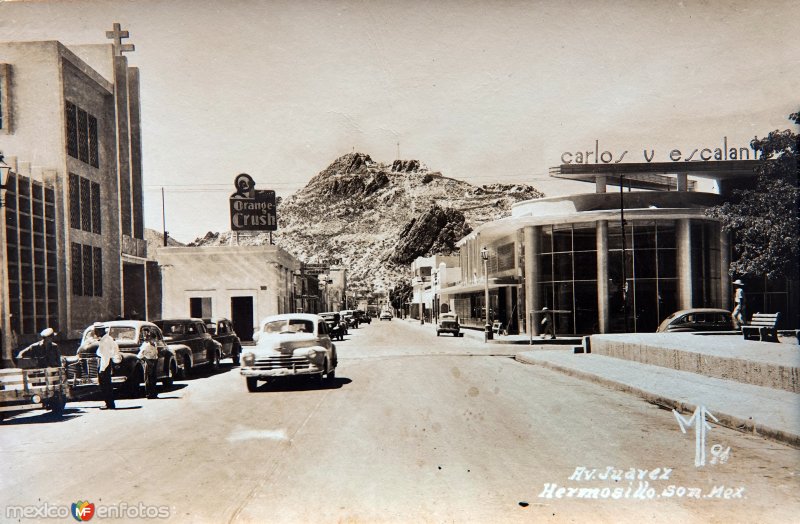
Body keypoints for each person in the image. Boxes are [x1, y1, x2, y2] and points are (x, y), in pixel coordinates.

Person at [95, 323, 122, 409]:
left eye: (96, 330)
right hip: (106, 363)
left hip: (105, 364)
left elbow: (105, 356)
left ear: (100, 330)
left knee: (105, 385)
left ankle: (109, 403)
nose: (95, 332)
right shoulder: (106, 339)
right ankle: (109, 403)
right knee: (106, 385)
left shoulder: (105, 341)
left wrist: (102, 369)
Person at [137, 332, 159, 399]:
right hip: (148, 361)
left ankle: (153, 393)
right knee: (148, 378)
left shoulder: (155, 344)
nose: (154, 340)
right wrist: (148, 361)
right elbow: (140, 355)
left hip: (154, 361)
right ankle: (149, 394)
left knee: (153, 378)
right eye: (152, 339)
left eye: (154, 339)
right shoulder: (146, 346)